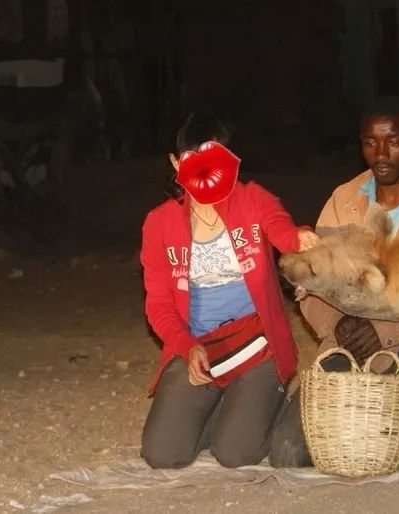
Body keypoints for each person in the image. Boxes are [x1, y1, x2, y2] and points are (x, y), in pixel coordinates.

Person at [269, 99, 399, 468]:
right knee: (288, 454)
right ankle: (387, 426)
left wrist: (385, 331)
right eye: (370, 142)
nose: (380, 154)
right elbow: (311, 281)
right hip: (350, 342)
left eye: (393, 141)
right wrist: (337, 323)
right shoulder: (344, 202)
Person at [139, 114, 317, 469]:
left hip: (256, 345)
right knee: (163, 454)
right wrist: (186, 347)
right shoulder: (159, 223)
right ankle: (233, 408)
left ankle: (285, 403)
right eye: (192, 159)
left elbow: (281, 231)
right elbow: (158, 304)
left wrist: (299, 238)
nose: (203, 170)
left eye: (213, 158)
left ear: (230, 160)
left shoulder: (253, 200)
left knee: (235, 453)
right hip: (201, 348)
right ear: (175, 163)